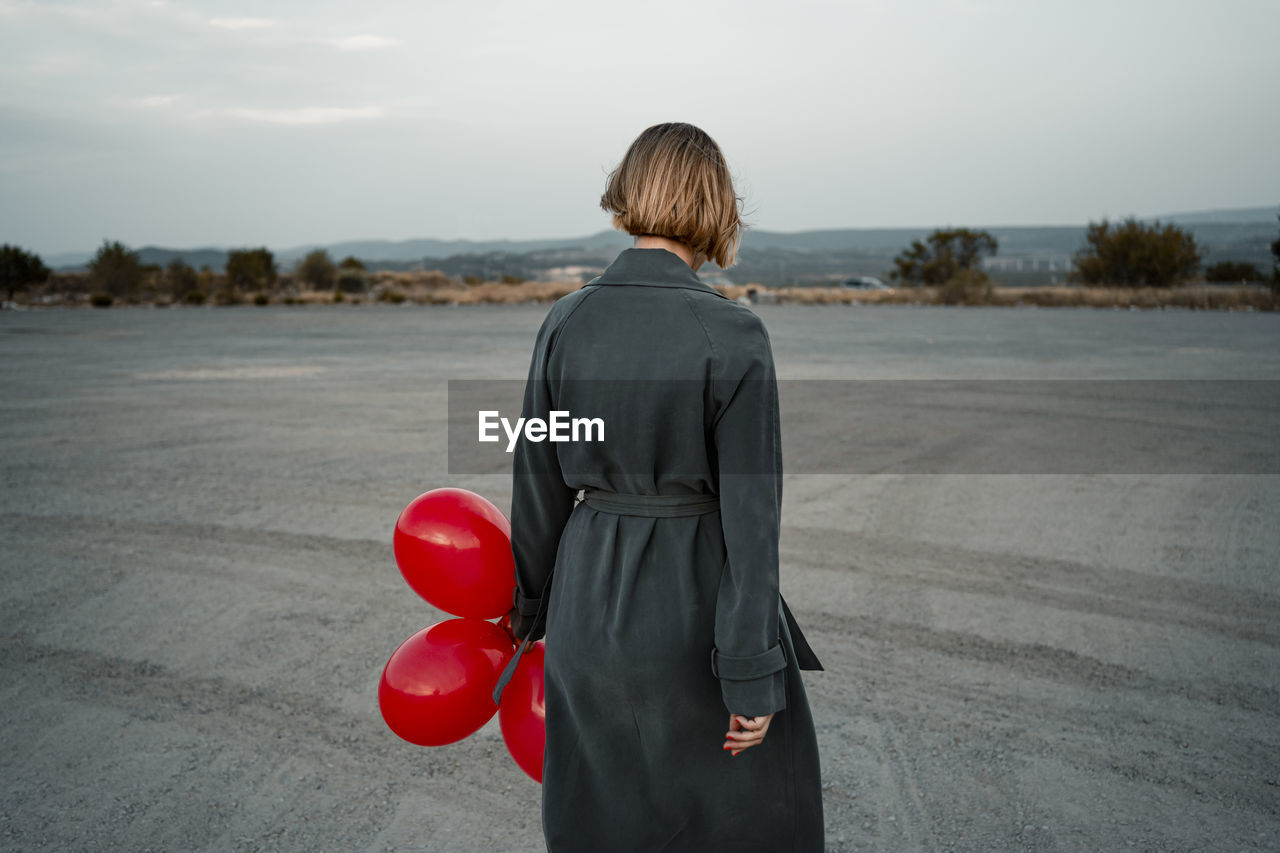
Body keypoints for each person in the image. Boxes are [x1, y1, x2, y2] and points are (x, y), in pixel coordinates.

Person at [494, 121, 825, 852]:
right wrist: (750, 674)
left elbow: (537, 484)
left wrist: (528, 610)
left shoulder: (565, 320)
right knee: (740, 818)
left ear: (629, 193)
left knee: (602, 817)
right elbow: (751, 521)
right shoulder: (733, 334)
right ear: (716, 205)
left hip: (587, 605)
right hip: (692, 602)